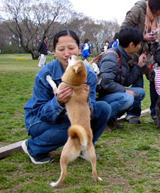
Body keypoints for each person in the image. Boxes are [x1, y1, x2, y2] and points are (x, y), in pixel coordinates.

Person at [22, 30, 111, 164]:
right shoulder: (45, 74)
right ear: (54, 52)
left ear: (79, 50)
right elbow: (39, 112)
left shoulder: (89, 75)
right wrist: (57, 102)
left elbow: (89, 113)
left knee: (103, 108)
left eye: (71, 48)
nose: (67, 53)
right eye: (61, 49)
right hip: (39, 121)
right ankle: (33, 147)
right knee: (73, 125)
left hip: (70, 116)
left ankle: (83, 148)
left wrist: (85, 100)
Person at [120, 0, 160, 123]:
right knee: (137, 83)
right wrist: (142, 37)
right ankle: (133, 113)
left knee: (156, 82)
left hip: (149, 54)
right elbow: (123, 32)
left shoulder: (156, 16)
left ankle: (157, 112)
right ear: (156, 4)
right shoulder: (137, 10)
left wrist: (153, 39)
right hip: (134, 55)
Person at [97, 27, 147, 126]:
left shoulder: (123, 56)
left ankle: (111, 118)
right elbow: (106, 83)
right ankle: (100, 120)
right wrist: (124, 91)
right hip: (100, 96)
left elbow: (126, 81)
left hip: (110, 93)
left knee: (140, 93)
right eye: (139, 43)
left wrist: (138, 66)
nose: (140, 46)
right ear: (131, 44)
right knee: (127, 98)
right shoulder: (111, 57)